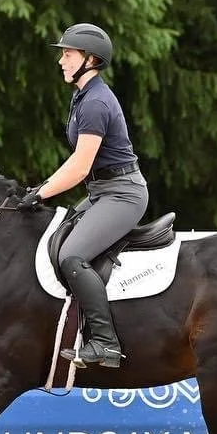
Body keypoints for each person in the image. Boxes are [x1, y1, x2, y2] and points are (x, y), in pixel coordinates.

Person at [16, 22, 148, 368]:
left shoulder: (96, 103)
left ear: (90, 59)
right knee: (55, 241)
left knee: (72, 256)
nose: (61, 60)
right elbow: (76, 162)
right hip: (103, 191)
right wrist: (40, 188)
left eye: (68, 54)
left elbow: (79, 167)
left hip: (123, 194)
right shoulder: (83, 97)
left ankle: (105, 343)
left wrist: (41, 194)